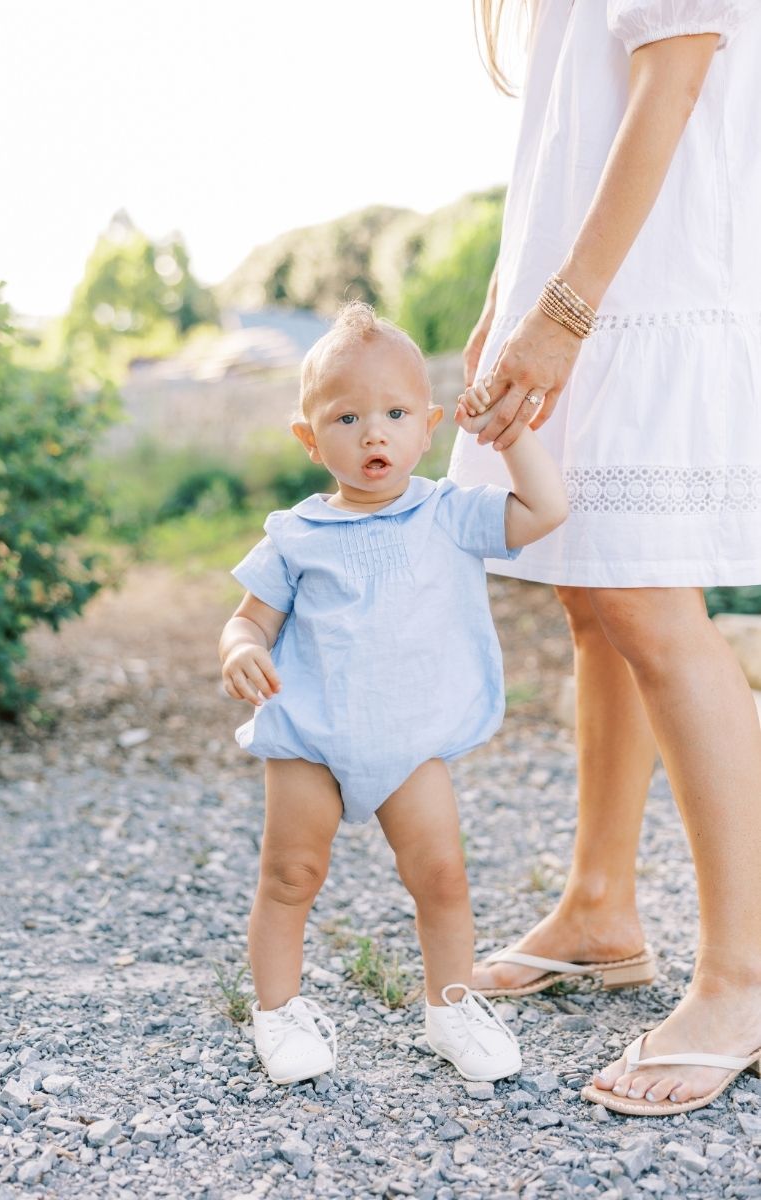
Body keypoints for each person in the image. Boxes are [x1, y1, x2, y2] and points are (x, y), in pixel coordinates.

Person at [447, 0, 761, 1115]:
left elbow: (669, 85)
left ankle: (741, 979)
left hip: (646, 294)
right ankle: (597, 910)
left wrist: (563, 311)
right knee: (593, 595)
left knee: (644, 601)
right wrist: (506, 296)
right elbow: (559, 133)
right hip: (584, 290)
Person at [218, 303, 567, 1086]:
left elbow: (545, 510)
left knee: (440, 876)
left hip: (413, 742)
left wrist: (514, 440)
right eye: (346, 417)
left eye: (396, 413)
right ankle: (279, 1013)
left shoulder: (449, 513)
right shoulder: (295, 535)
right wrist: (241, 650)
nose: (374, 433)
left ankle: (450, 1007)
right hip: (310, 737)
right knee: (290, 877)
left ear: (430, 426)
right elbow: (247, 620)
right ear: (309, 438)